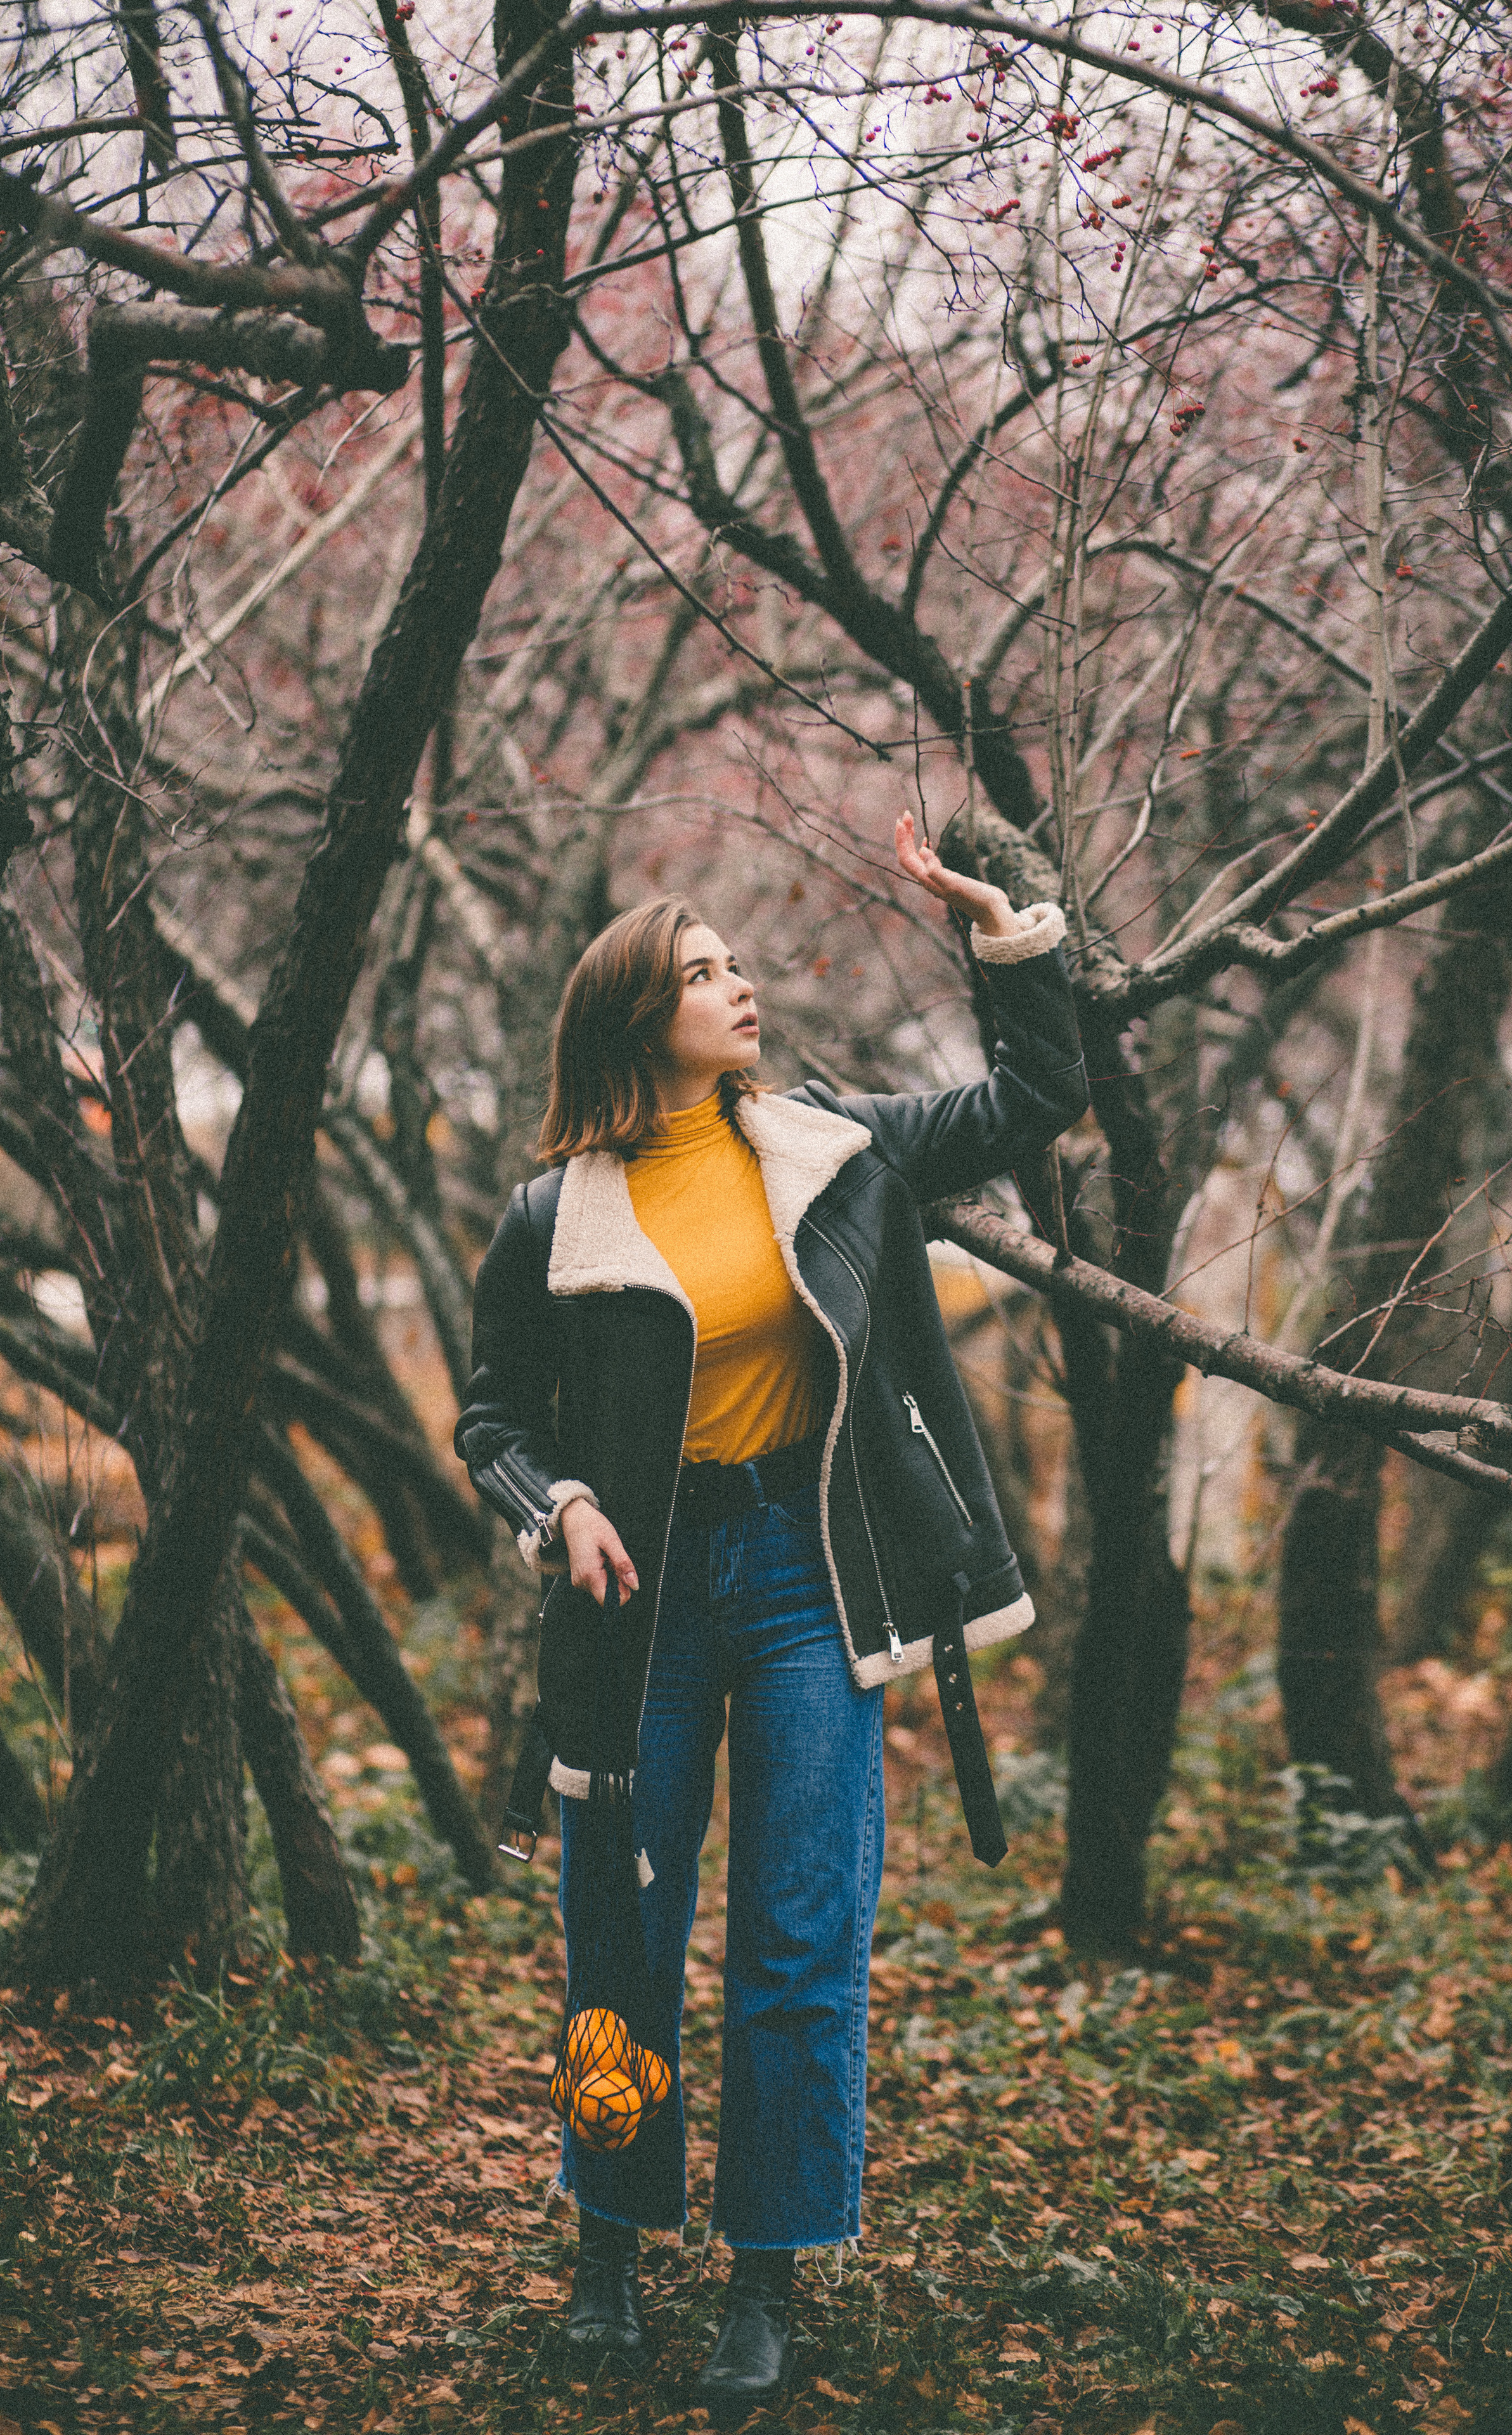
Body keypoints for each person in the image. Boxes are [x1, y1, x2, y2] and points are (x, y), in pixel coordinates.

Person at [456, 811, 1087, 2423]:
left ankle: (765, 2282)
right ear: (632, 1019)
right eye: (702, 973)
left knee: (798, 1939)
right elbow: (492, 1423)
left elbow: (1035, 1099)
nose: (741, 988)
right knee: (621, 1934)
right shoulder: (555, 1219)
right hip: (635, 1611)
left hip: (810, 1586)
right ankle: (609, 2243)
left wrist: (1003, 925)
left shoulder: (829, 1148)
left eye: (735, 967)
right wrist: (563, 1504)